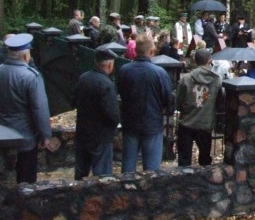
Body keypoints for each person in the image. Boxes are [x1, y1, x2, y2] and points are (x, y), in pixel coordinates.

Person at [0, 34, 52, 184]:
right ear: (26, 55)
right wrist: (45, 135)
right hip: (25, 136)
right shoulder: (31, 77)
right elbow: (39, 108)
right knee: (26, 178)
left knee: (1, 178)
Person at [116, 36, 173, 173]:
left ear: (135, 50)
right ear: (152, 51)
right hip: (152, 123)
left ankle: (126, 186)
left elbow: (120, 92)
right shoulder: (159, 73)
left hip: (130, 122)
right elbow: (168, 98)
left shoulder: (124, 70)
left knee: (128, 167)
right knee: (152, 170)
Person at [72, 48, 120, 180]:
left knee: (81, 170)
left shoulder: (83, 78)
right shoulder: (107, 84)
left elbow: (74, 101)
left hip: (83, 131)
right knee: (102, 174)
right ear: (109, 65)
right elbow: (112, 113)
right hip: (101, 134)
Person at [175, 49, 223, 167]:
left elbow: (178, 101)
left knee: (184, 160)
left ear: (195, 60)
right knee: (205, 160)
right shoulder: (217, 80)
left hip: (186, 123)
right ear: (210, 61)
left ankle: (184, 177)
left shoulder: (186, 78)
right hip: (205, 123)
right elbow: (219, 101)